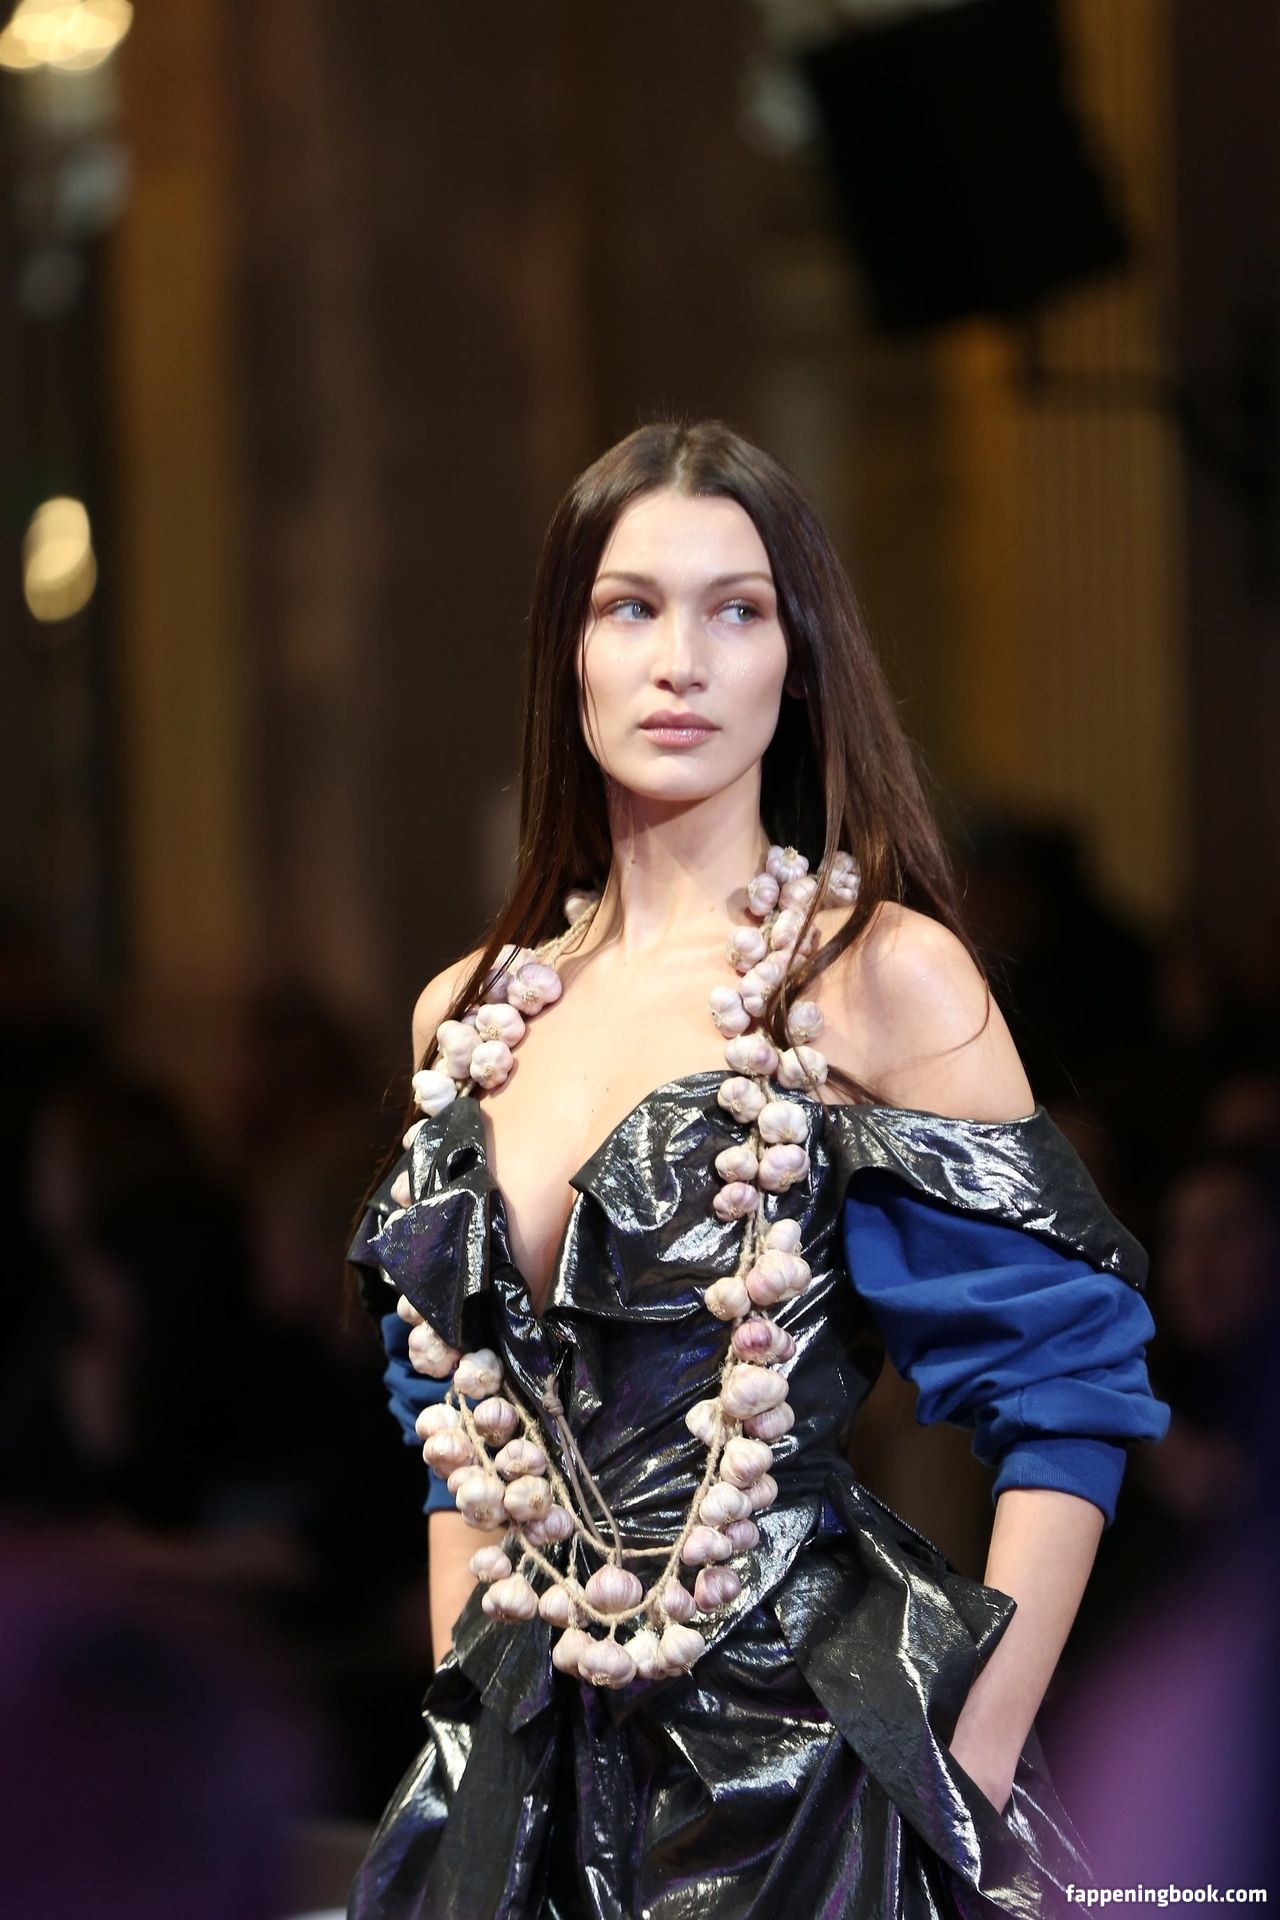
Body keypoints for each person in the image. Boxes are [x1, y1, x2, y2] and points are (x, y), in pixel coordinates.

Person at [343, 418, 1170, 1920]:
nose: (682, 662)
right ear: (570, 656)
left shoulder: (877, 979)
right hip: (518, 1766)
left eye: (737, 610)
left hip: (811, 1773)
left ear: (798, 663)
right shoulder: (467, 1016)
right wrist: (466, 1728)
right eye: (631, 607)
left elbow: (1067, 1389)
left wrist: (963, 1776)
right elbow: (449, 1432)